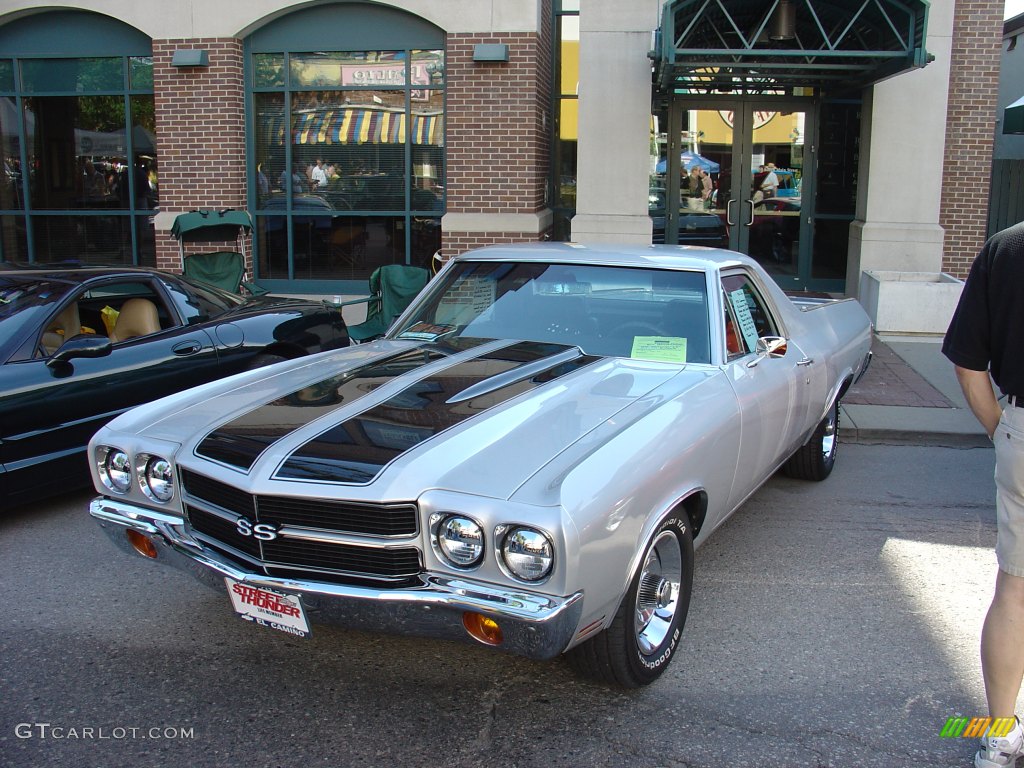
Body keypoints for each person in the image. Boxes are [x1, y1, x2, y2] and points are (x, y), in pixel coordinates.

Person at [943, 221, 1024, 768]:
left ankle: (999, 737)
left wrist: (1004, 430)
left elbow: (969, 364)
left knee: (1015, 592)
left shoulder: (1006, 248)